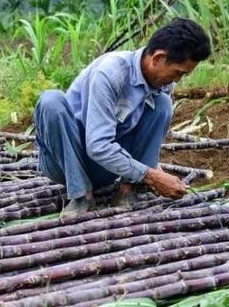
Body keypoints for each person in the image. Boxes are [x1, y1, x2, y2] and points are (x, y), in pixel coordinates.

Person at [33, 18, 211, 215]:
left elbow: (144, 135)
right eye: (178, 73)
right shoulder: (109, 74)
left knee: (162, 105)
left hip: (107, 168)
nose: (177, 80)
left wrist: (151, 169)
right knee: (51, 101)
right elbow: (98, 146)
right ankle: (81, 195)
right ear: (158, 58)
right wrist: (151, 176)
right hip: (66, 163)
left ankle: (127, 190)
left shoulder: (163, 82)